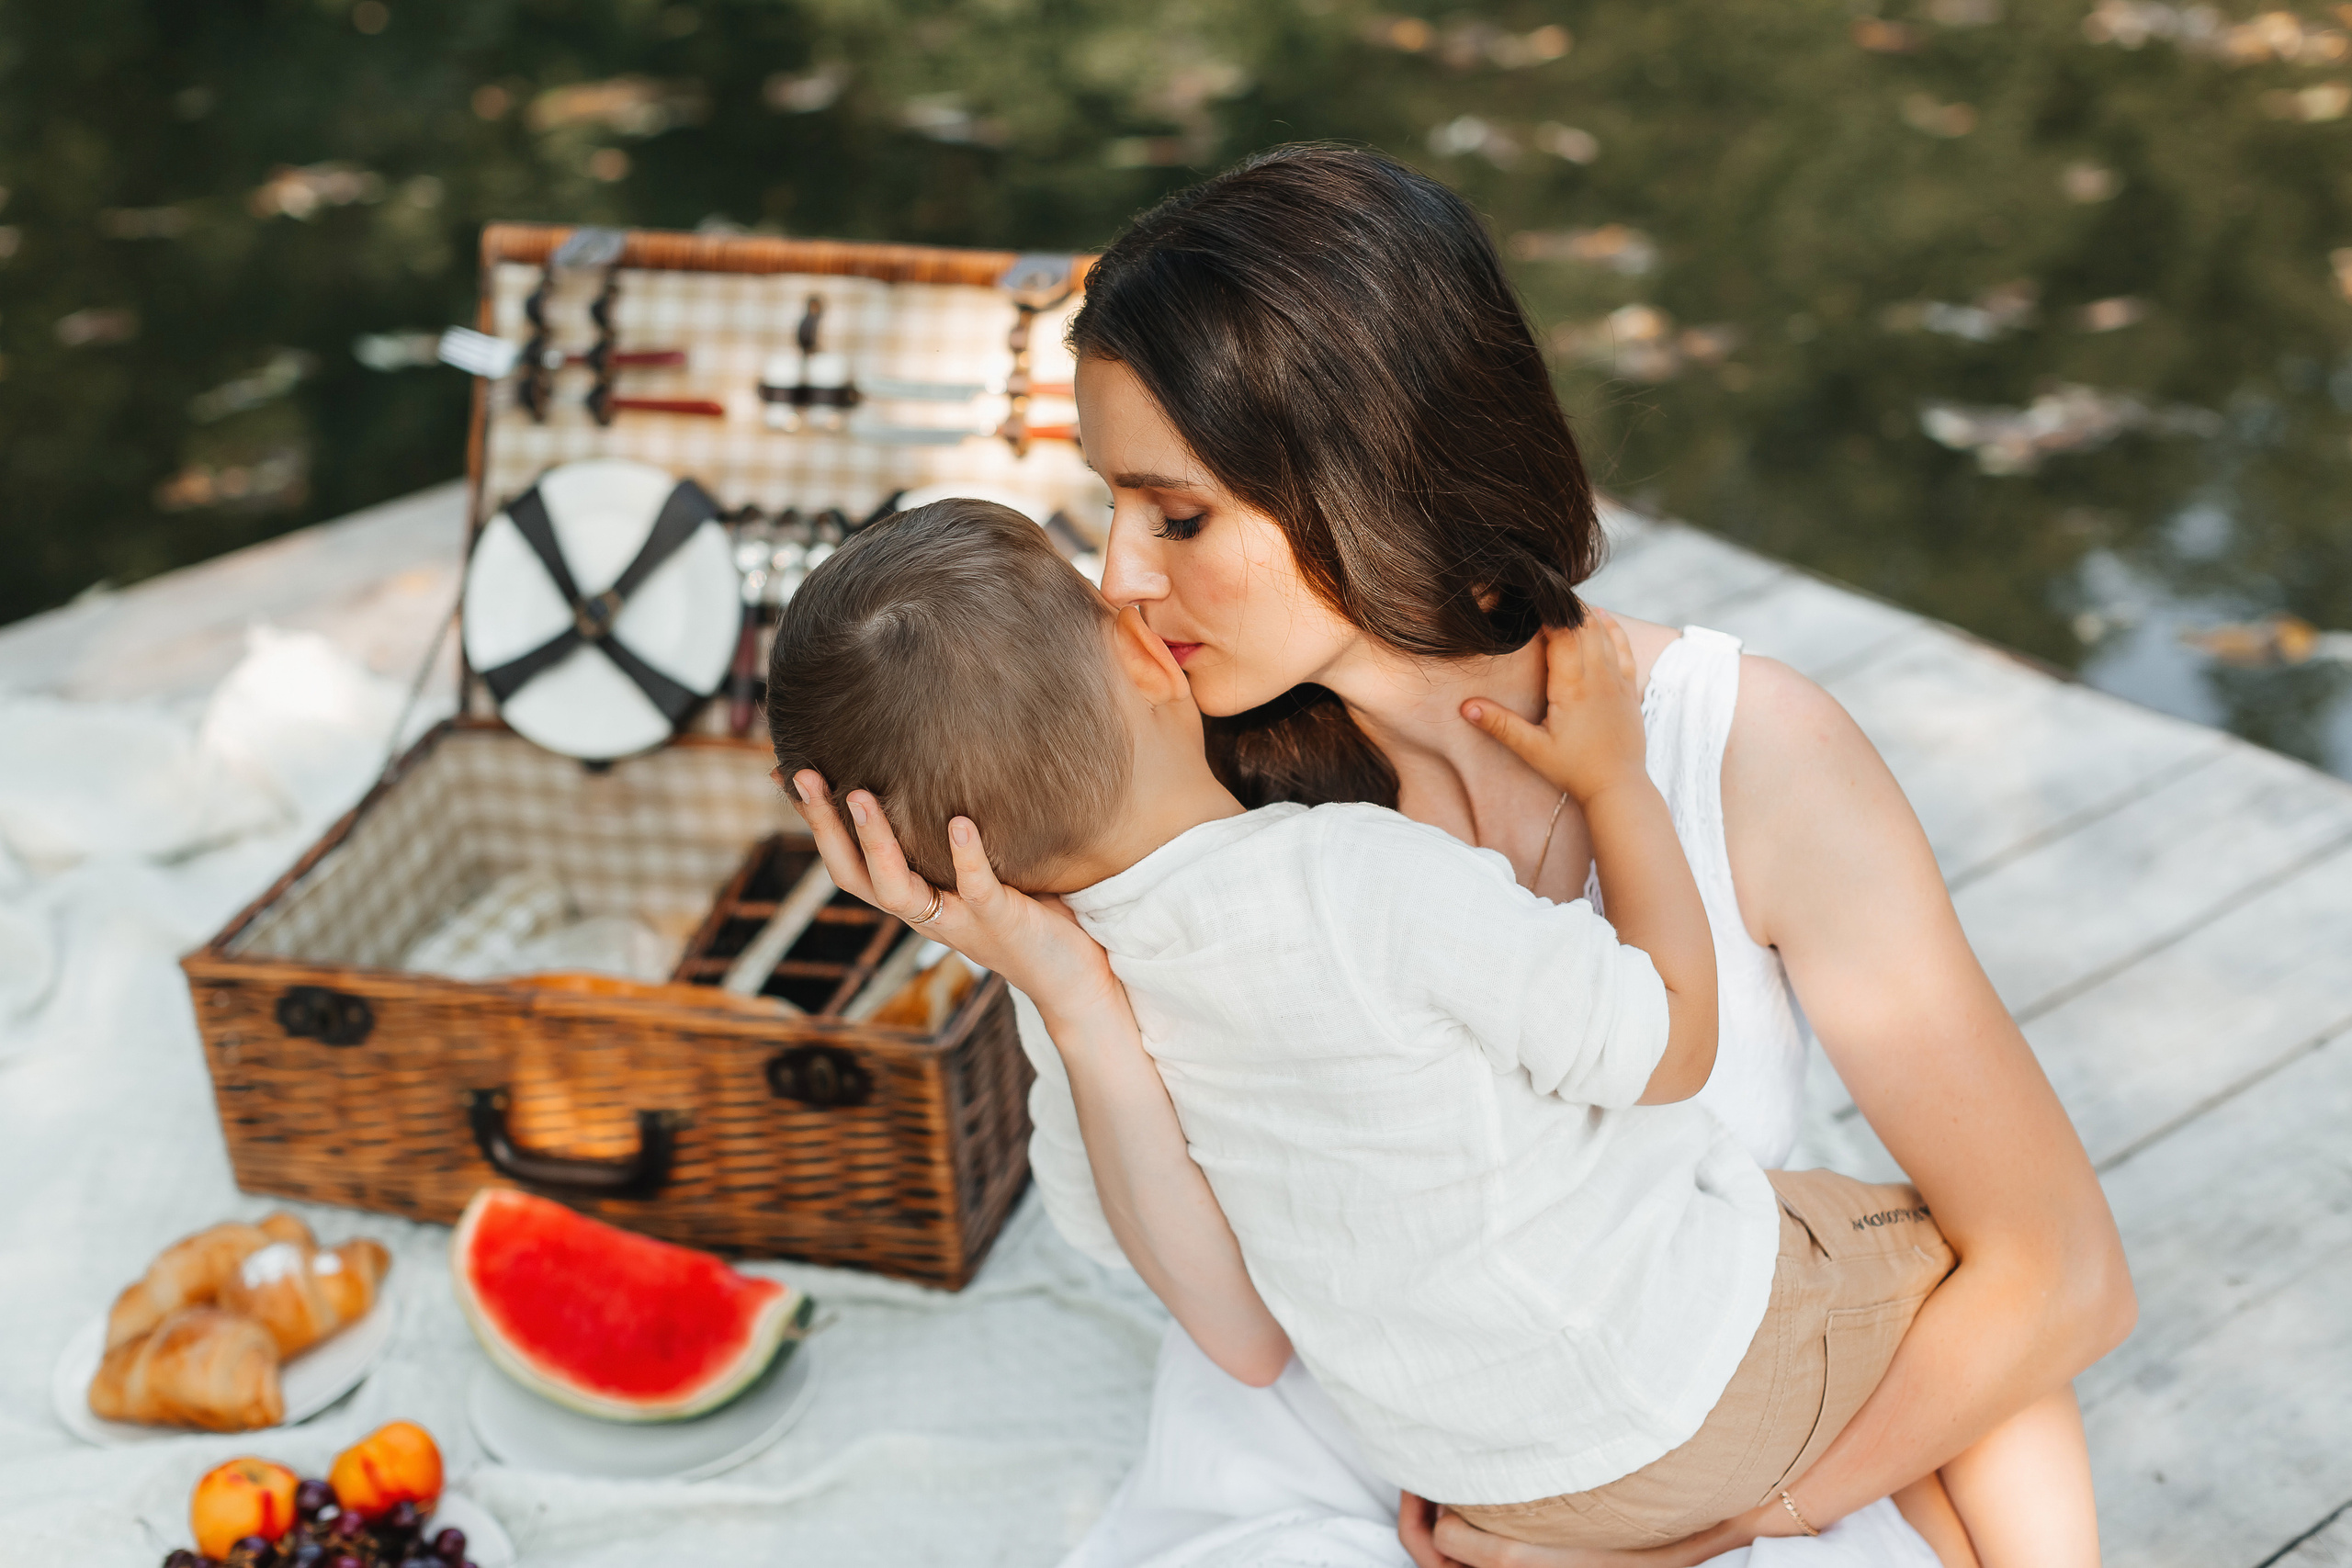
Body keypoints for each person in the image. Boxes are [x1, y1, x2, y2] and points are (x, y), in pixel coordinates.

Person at [787, 145, 2133, 1567]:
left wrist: (1698, 1534)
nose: (1118, 577)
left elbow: (2064, 1278)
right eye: (1113, 510)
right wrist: (1054, 979)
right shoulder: (1195, 794)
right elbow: (1198, 1295)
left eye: (1177, 516)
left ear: (1362, 472)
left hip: (1690, 1439)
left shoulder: (1747, 757)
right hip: (1355, 1463)